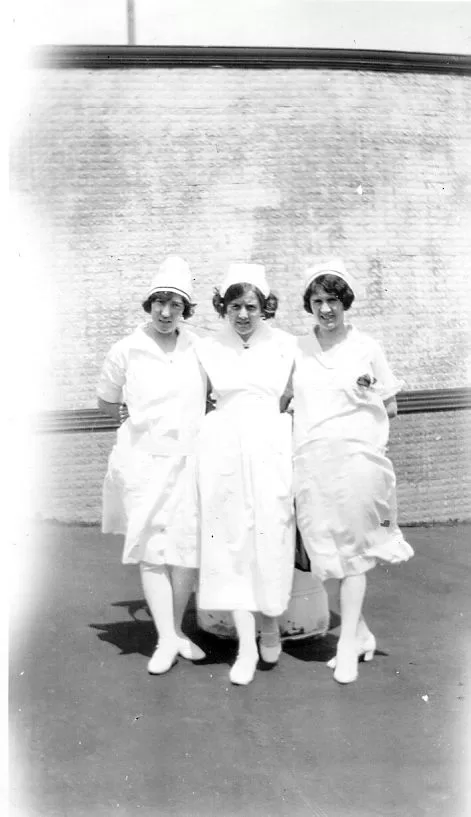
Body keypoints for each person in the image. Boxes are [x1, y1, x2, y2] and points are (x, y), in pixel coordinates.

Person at [292, 257, 414, 684]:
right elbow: (279, 398)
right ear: (309, 304)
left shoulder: (367, 347)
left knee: (356, 554)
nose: (325, 309)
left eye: (333, 300)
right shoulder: (296, 350)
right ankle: (361, 635)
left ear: (346, 302)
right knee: (327, 555)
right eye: (317, 300)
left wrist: (361, 426)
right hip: (311, 465)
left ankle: (346, 646)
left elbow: (392, 404)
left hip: (357, 464)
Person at [97, 256, 207, 674]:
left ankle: (176, 631)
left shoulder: (199, 346)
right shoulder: (126, 349)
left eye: (175, 304)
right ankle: (165, 639)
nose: (165, 311)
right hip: (144, 462)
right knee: (153, 550)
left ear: (185, 309)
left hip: (190, 460)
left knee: (186, 551)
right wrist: (133, 423)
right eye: (159, 302)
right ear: (148, 304)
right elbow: (107, 401)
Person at [195, 263, 296, 685]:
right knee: (230, 542)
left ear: (264, 306)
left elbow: (302, 397)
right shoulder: (206, 347)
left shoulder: (288, 346)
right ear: (224, 306)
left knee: (271, 537)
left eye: (251, 305)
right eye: (234, 305)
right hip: (224, 449)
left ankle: (270, 625)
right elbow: (191, 400)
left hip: (271, 448)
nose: (242, 314)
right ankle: (247, 646)